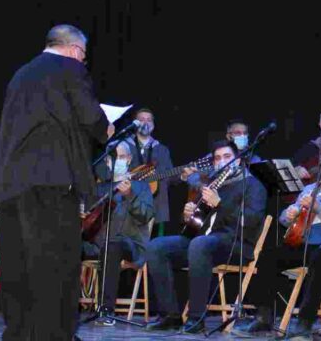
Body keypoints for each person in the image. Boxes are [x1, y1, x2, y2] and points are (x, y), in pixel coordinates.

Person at [0, 24, 111, 341]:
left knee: (19, 267)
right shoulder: (70, 69)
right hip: (52, 182)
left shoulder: (20, 75)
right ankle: (55, 335)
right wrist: (107, 129)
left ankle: (19, 334)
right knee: (56, 264)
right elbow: (91, 118)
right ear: (76, 51)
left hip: (11, 184)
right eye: (83, 57)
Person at [239, 142, 321, 337]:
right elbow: (285, 219)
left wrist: (318, 207)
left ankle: (305, 321)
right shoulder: (310, 187)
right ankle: (264, 316)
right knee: (269, 255)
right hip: (306, 241)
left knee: (319, 255)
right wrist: (288, 215)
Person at [145, 140, 267, 334]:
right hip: (203, 242)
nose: (222, 162)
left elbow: (250, 222)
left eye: (228, 157)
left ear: (239, 159)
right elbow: (198, 225)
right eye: (218, 158)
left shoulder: (253, 184)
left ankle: (196, 317)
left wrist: (220, 204)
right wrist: (189, 215)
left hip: (235, 243)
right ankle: (170, 315)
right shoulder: (213, 183)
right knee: (156, 246)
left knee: (200, 244)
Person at [90, 141, 155, 326]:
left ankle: (105, 310)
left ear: (129, 160)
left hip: (130, 245)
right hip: (98, 244)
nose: (117, 161)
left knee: (112, 245)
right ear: (107, 162)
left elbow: (145, 216)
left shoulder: (141, 187)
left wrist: (129, 196)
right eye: (113, 157)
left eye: (121, 157)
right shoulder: (101, 188)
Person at [126, 107, 173, 236]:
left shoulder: (162, 149)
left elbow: (169, 177)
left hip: (155, 205)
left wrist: (184, 175)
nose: (145, 123)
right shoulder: (123, 145)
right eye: (141, 120)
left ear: (153, 125)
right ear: (135, 123)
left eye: (149, 120)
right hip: (127, 201)